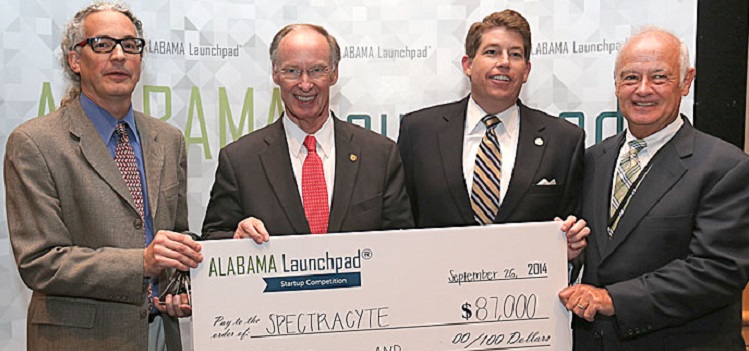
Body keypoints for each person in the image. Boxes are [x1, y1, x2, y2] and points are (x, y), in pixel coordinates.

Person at [4, 2, 203, 350]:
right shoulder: (34, 143)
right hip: (79, 341)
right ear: (75, 60)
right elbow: (40, 261)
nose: (119, 56)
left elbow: (174, 234)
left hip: (160, 335)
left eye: (130, 45)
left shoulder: (168, 139)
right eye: (102, 44)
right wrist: (140, 263)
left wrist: (179, 286)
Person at [558, 27, 749, 350]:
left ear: (686, 82)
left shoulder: (726, 166)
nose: (643, 90)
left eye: (659, 77)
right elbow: (599, 254)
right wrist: (570, 255)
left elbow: (718, 271)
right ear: (616, 85)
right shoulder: (592, 159)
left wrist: (612, 299)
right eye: (631, 77)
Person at [397, 10, 588, 260]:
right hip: (436, 289)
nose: (505, 62)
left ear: (527, 70)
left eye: (515, 54)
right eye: (492, 52)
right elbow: (400, 224)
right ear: (468, 64)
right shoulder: (419, 131)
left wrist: (571, 247)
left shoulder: (564, 140)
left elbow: (573, 228)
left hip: (524, 294)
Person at [202, 23, 413, 242]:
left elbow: (403, 243)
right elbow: (213, 237)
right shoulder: (240, 161)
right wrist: (237, 239)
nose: (305, 84)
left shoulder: (379, 155)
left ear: (334, 74)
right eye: (292, 71)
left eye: (317, 70)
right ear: (275, 73)